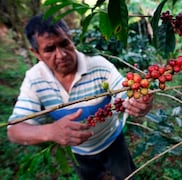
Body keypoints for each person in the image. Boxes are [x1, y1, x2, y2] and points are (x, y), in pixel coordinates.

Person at [7, 14, 153, 180]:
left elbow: (124, 92)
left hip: (112, 141)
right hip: (79, 153)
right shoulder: (34, 79)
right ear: (36, 53)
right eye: (49, 49)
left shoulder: (98, 65)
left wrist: (137, 101)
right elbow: (14, 130)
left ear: (70, 38)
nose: (61, 54)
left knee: (126, 176)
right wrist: (50, 131)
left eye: (64, 43)